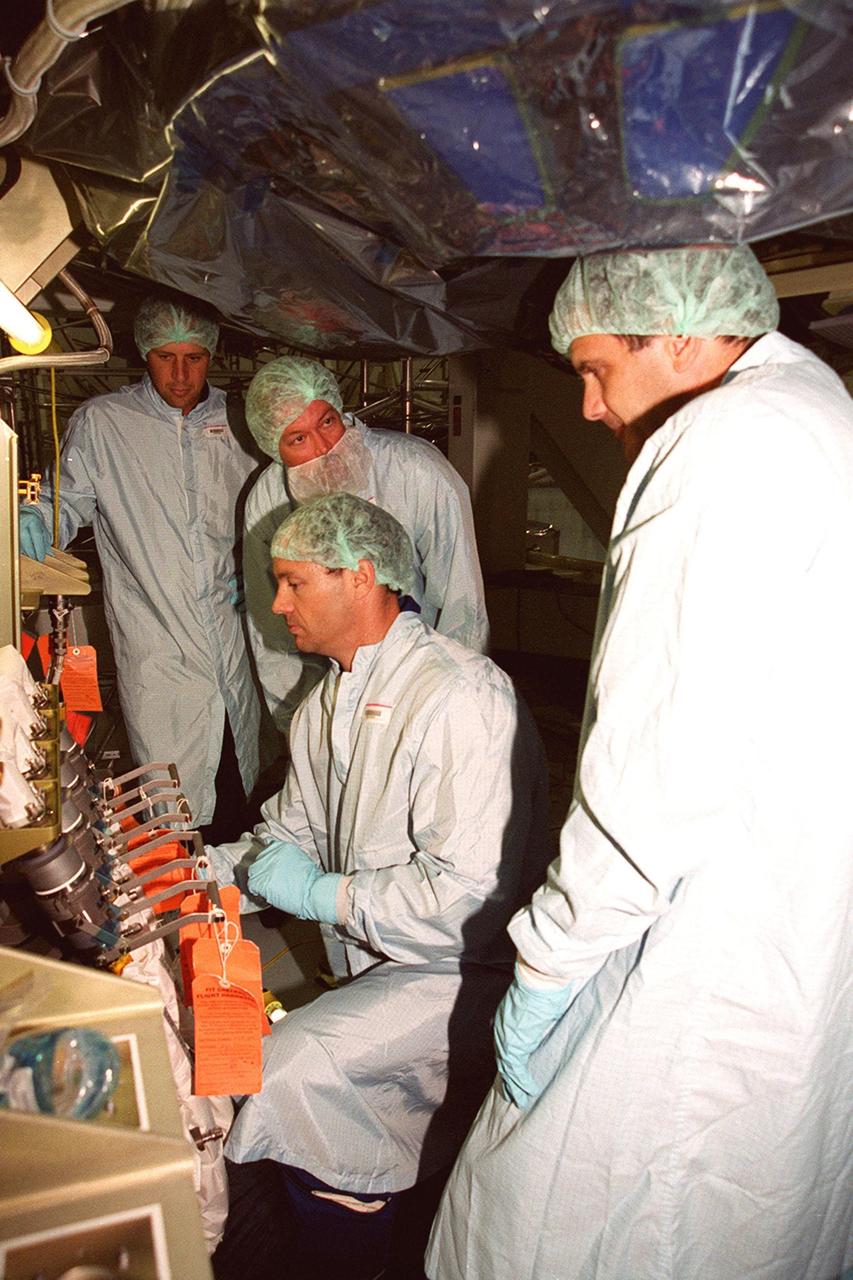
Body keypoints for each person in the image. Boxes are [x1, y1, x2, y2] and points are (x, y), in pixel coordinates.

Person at [426, 245, 853, 1280]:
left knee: (532, 1217)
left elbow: (651, 764)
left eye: (593, 366)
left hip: (699, 935)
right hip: (796, 918)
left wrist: (548, 960)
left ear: (673, 335)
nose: (583, 405)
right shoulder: (818, 410)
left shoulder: (720, 447)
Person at [208, 492, 548, 1280]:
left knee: (294, 1069)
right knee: (341, 1112)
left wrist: (321, 895)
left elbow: (467, 898)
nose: (278, 602)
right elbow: (286, 836)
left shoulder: (459, 696)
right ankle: (368, 1213)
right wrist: (191, 874)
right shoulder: (326, 699)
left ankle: (354, 1250)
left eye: (292, 582)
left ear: (360, 576)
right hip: (381, 956)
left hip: (463, 971)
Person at [18, 296, 263, 837]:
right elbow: (70, 501)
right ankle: (177, 896)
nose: (180, 374)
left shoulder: (241, 421)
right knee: (168, 789)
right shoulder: (105, 423)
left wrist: (266, 578)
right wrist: (35, 514)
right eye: (164, 357)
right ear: (143, 353)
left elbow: (273, 508)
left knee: (242, 774)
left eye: (194, 358)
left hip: (236, 629)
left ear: (213, 355)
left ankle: (235, 896)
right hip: (157, 637)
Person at [242, 356, 489, 734]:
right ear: (274, 451)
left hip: (422, 680)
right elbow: (274, 632)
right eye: (298, 439)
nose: (325, 448)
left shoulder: (417, 473)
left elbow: (462, 607)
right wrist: (301, 728)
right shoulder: (268, 503)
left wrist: (450, 707)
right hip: (330, 697)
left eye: (327, 422)